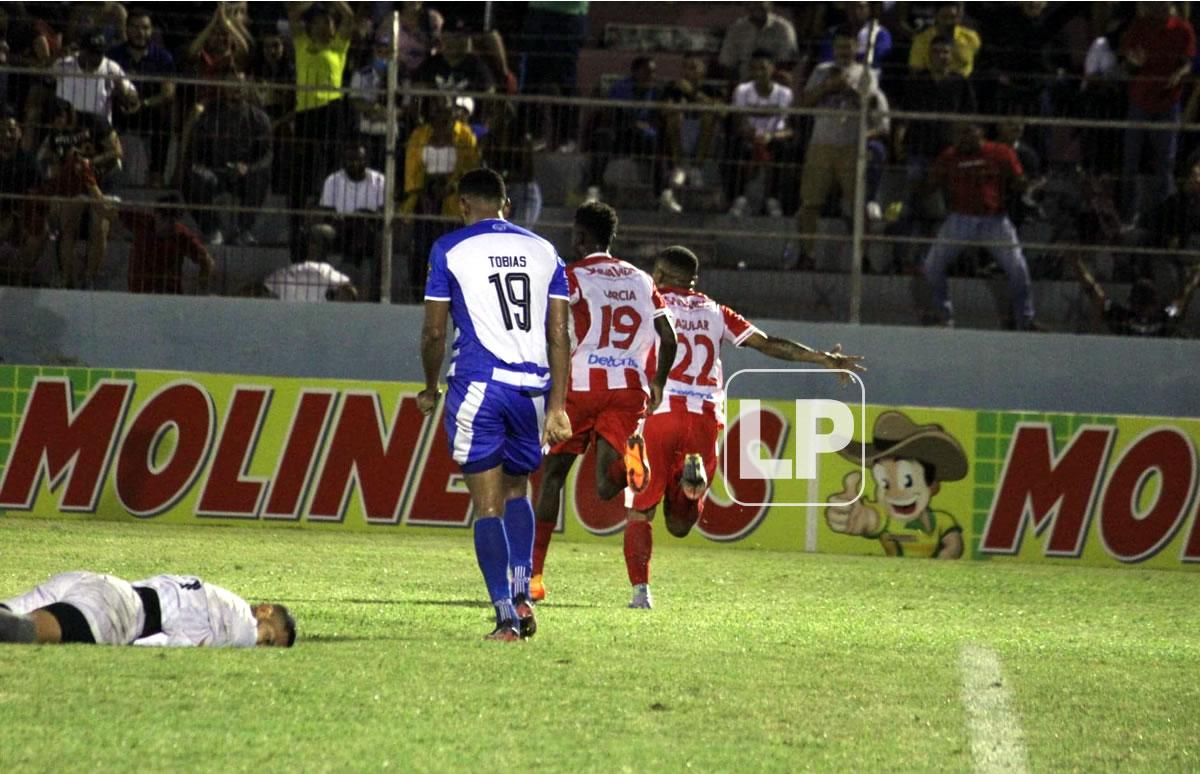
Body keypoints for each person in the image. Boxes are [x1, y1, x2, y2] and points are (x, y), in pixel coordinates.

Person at [621, 245, 865, 608]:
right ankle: (691, 489)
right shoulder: (715, 311)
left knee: (642, 509)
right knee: (681, 524)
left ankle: (641, 593)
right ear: (694, 280)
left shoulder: (648, 302)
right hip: (704, 418)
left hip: (660, 412)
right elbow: (768, 344)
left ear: (659, 275)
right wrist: (823, 358)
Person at [418, 168, 572, 641]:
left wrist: (430, 385)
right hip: (532, 390)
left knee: (487, 506)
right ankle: (524, 593)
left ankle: (506, 616)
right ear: (507, 206)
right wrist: (558, 406)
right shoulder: (545, 251)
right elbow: (559, 335)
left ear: (463, 206)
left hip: (480, 385)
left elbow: (434, 332)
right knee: (516, 490)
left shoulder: (450, 248)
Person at [530, 202, 677, 603]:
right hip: (628, 389)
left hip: (581, 385)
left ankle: (535, 578)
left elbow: (554, 326)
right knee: (605, 486)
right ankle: (632, 460)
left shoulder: (572, 275)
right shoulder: (643, 280)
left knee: (552, 476)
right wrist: (659, 382)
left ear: (580, 236)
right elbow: (670, 339)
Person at [921, 123, 1036, 330]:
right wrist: (926, 183)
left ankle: (1025, 320)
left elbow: (1019, 179)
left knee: (1018, 267)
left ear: (979, 132)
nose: (963, 139)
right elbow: (931, 183)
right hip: (960, 219)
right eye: (959, 134)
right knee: (932, 265)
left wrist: (1022, 183)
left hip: (994, 220)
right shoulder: (950, 155)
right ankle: (944, 316)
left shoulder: (1000, 152)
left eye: (967, 132)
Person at [0, 571, 295, 647]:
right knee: (22, 631)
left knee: (8, 613)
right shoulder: (242, 624)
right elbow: (245, 635)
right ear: (264, 611)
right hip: (121, 611)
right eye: (268, 639)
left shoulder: (219, 597)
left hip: (96, 581)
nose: (260, 646)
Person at [796, 28, 888, 258]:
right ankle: (806, 254)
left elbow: (876, 111)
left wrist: (852, 91)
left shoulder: (867, 73)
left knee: (857, 206)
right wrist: (827, 87)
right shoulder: (821, 71)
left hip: (852, 147)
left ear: (857, 47)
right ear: (833, 48)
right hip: (821, 144)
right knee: (810, 203)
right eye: (839, 46)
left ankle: (862, 257)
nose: (844, 51)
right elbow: (804, 103)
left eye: (848, 46)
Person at [286, 1, 355, 261]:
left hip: (330, 114)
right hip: (306, 115)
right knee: (302, 178)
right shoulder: (302, 43)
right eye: (320, 21)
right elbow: (293, 15)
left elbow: (350, 18)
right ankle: (298, 244)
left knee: (328, 174)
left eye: (329, 21)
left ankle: (330, 238)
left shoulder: (338, 47)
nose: (325, 25)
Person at [1118, 2, 1195, 227]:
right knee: (1130, 160)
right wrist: (1133, 62)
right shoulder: (1140, 26)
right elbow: (1129, 61)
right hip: (1140, 100)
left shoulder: (1183, 28)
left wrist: (1179, 75)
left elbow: (1188, 62)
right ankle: (1127, 216)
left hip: (1168, 102)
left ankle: (1163, 219)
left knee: (1166, 163)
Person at [182, 74, 273, 245]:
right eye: (231, 83)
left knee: (261, 177)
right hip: (214, 171)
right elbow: (196, 148)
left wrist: (248, 167)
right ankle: (211, 229)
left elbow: (266, 155)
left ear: (247, 87)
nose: (235, 88)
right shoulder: (210, 114)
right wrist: (201, 166)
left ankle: (243, 230)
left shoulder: (259, 118)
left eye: (240, 84)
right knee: (191, 178)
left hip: (245, 174)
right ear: (223, 87)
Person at [586, 56, 680, 214]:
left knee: (657, 147)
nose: (651, 75)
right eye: (647, 71)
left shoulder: (656, 91)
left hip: (644, 139)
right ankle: (594, 190)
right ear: (635, 72)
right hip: (621, 135)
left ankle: (664, 194)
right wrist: (633, 124)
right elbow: (613, 114)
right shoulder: (621, 88)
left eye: (653, 72)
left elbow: (659, 116)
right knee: (603, 141)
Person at [107, 8, 175, 188]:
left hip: (147, 109)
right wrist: (121, 97)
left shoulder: (163, 57)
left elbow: (168, 93)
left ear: (151, 30)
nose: (140, 32)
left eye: (145, 27)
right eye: (135, 27)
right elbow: (106, 86)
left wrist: (143, 104)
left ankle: (156, 172)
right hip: (120, 107)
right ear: (126, 29)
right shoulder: (114, 55)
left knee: (164, 119)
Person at [725, 50, 794, 218]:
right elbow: (738, 123)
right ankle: (739, 198)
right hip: (749, 136)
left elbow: (789, 128)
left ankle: (773, 199)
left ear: (772, 69)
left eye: (763, 68)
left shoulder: (784, 93)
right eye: (754, 69)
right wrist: (753, 134)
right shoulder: (742, 90)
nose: (759, 73)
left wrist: (771, 136)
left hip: (774, 138)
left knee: (785, 150)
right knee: (736, 148)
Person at [1074, 256, 1200, 337]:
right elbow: (1183, 299)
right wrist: (1194, 278)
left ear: (1131, 302)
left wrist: (1077, 265)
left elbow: (1095, 294)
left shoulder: (1122, 318)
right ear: (1156, 302)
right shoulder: (1164, 317)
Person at [116, 194, 214, 294]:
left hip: (168, 296)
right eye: (164, 220)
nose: (168, 227)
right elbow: (111, 211)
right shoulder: (141, 222)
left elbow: (207, 261)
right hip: (138, 293)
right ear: (156, 215)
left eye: (172, 222)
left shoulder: (181, 236)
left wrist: (202, 284)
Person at [53, 29, 138, 127]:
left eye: (99, 53)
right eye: (92, 53)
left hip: (98, 130)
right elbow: (45, 77)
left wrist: (122, 88)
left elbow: (133, 97)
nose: (96, 57)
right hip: (68, 128)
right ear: (81, 50)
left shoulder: (111, 67)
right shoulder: (64, 64)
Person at [718, 1, 799, 83]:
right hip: (744, 82)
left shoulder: (783, 28)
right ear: (746, 5)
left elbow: (787, 62)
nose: (757, 4)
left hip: (774, 83)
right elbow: (727, 62)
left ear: (770, 4)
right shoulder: (736, 29)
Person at [908, 2, 981, 77]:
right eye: (944, 17)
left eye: (952, 17)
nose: (948, 22)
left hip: (964, 85)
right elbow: (915, 69)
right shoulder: (922, 39)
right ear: (935, 15)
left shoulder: (971, 37)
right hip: (932, 85)